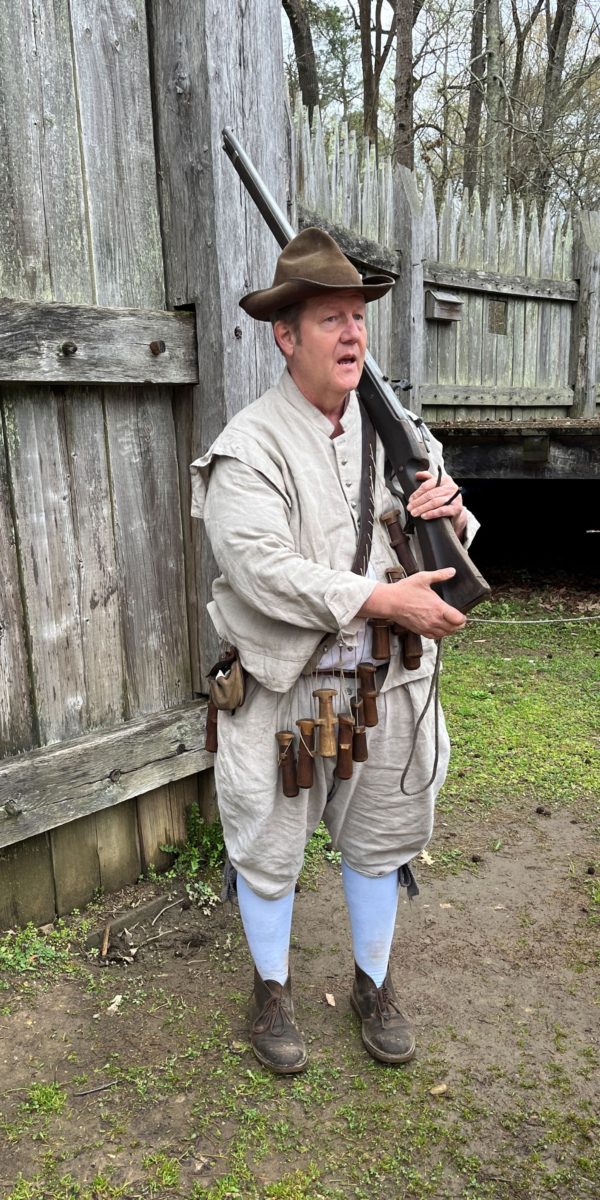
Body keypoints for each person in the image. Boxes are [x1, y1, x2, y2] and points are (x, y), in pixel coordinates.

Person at [190, 228, 480, 1075]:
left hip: (383, 681)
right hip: (284, 689)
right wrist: (378, 597)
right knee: (268, 843)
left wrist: (449, 513)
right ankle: (271, 992)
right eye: (330, 320)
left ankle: (374, 982)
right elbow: (262, 569)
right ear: (286, 336)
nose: (352, 334)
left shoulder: (402, 437)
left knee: (385, 833)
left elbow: (448, 544)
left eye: (358, 318)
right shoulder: (247, 449)